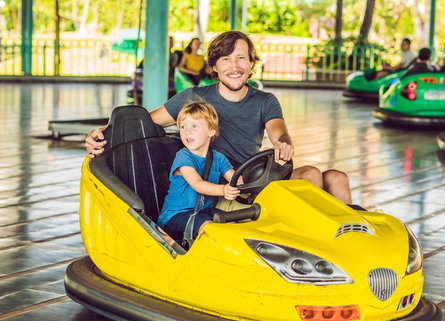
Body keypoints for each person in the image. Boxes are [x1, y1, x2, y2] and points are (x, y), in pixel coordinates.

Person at [86, 30, 353, 208]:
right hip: (222, 187)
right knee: (313, 176)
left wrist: (283, 143)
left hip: (253, 176)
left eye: (241, 58)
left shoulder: (264, 100)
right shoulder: (194, 96)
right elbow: (146, 121)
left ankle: (352, 246)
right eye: (225, 59)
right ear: (214, 66)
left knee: (336, 178)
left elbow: (278, 131)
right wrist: (102, 133)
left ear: (251, 64)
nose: (234, 67)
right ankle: (313, 250)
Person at [157, 101, 239, 240]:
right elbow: (197, 184)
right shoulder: (183, 157)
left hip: (203, 210)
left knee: (231, 222)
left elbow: (237, 180)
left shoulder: (218, 158)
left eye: (194, 126)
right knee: (208, 226)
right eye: (182, 127)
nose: (187, 131)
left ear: (211, 131)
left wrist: (254, 182)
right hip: (175, 215)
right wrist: (223, 190)